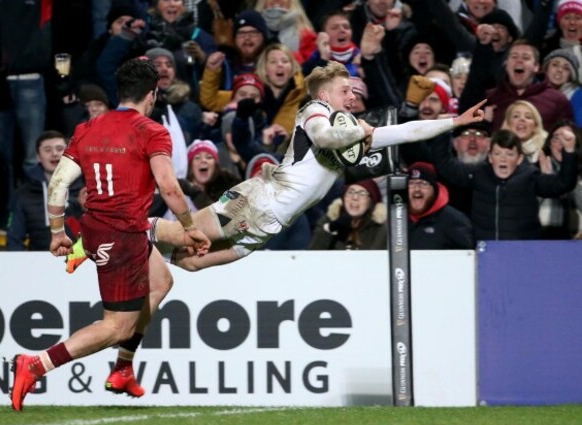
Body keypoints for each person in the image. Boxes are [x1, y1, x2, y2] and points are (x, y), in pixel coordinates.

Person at [9, 57, 211, 412]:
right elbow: (170, 188)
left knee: (161, 282)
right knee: (117, 326)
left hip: (101, 226)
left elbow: (58, 184)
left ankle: (122, 369)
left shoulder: (89, 127)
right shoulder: (151, 130)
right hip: (122, 235)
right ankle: (37, 364)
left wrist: (57, 232)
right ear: (151, 95)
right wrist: (190, 228)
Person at [151, 61, 487, 271]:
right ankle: (110, 231)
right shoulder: (315, 111)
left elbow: (402, 132)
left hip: (269, 224)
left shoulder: (351, 129)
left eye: (354, 92)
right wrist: (361, 130)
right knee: (183, 232)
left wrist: (454, 121)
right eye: (346, 91)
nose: (353, 98)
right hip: (260, 202)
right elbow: (325, 137)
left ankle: (133, 254)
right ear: (325, 95)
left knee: (191, 262)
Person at [432, 128, 578, 241]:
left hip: (523, 253)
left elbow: (563, 184)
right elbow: (446, 166)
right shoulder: (479, 174)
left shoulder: (529, 177)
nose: (503, 159)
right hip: (486, 252)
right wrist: (442, 132)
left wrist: (569, 151)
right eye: (497, 154)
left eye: (509, 154)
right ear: (490, 157)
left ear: (520, 159)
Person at [7, 131, 82, 251]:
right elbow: (14, 239)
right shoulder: (23, 194)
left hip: (80, 262)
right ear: (38, 156)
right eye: (47, 150)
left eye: (60, 149)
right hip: (37, 262)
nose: (55, 154)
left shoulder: (85, 189)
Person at [406, 162, 474, 250]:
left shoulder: (454, 220)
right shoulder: (396, 219)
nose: (417, 189)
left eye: (423, 184)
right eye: (411, 184)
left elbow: (468, 257)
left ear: (435, 189)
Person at [308, 178, 387, 250]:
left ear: (370, 202)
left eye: (362, 193)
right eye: (350, 192)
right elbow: (313, 257)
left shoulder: (380, 228)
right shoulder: (327, 222)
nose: (355, 197)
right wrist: (329, 230)